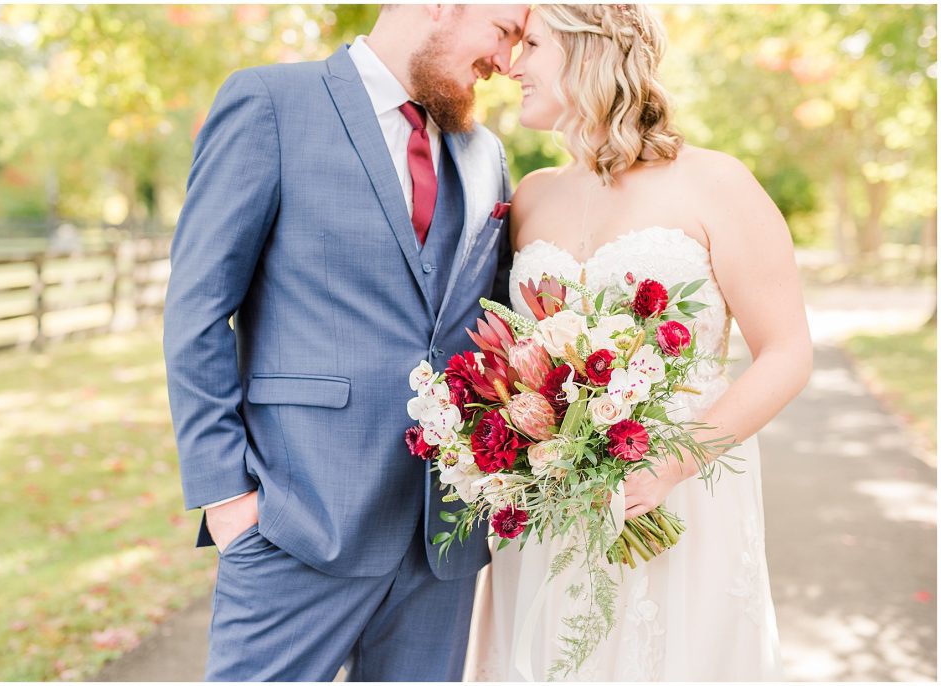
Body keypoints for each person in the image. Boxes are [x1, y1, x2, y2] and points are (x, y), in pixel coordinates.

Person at [163, 4, 529, 681]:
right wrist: (227, 501)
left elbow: (494, 323)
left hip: (442, 541)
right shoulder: (271, 103)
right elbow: (198, 310)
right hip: (296, 523)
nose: (507, 63)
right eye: (503, 32)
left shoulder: (486, 153)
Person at [465, 4, 812, 680]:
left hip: (682, 496)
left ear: (592, 50)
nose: (512, 65)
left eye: (532, 44)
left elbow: (788, 352)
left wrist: (670, 467)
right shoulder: (532, 195)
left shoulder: (718, 183)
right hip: (554, 510)